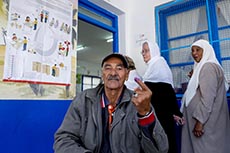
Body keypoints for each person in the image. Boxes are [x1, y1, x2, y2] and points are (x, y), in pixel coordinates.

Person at [53, 53, 169, 153]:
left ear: (127, 74)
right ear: (102, 73)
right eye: (108, 68)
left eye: (119, 68)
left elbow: (161, 150)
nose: (113, 73)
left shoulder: (139, 103)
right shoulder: (84, 100)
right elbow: (63, 139)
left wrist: (145, 114)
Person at [180, 39, 230, 153]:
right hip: (209, 121)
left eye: (198, 50)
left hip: (206, 125)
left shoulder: (208, 68)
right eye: (192, 51)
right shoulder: (207, 66)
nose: (194, 53)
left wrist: (200, 122)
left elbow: (207, 98)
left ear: (206, 51)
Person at [141, 41, 183, 153]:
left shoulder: (158, 66)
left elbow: (167, 92)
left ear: (154, 51)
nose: (143, 53)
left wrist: (175, 112)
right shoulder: (152, 68)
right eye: (142, 51)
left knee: (163, 144)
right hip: (155, 117)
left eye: (146, 50)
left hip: (161, 118)